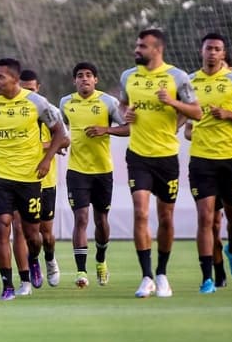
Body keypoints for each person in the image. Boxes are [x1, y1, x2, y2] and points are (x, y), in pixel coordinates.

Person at [0, 58, 69, 300]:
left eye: (0, 77)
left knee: (32, 234)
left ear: (14, 79)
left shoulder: (36, 103)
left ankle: (33, 260)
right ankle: (9, 284)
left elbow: (61, 133)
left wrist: (46, 160)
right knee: (2, 228)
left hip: (29, 179)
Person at [120, 28, 202, 298]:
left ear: (157, 49)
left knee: (166, 217)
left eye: (142, 46)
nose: (137, 50)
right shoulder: (128, 76)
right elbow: (122, 105)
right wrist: (126, 113)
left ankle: (162, 273)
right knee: (141, 212)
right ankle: (146, 277)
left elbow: (197, 113)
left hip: (166, 157)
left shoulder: (176, 77)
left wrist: (173, 102)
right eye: (137, 45)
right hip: (138, 156)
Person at [187, 33, 232, 294]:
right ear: (201, 51)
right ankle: (208, 277)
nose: (212, 53)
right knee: (207, 220)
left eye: (217, 49)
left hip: (231, 160)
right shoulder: (190, 82)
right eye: (208, 48)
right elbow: (186, 124)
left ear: (223, 54)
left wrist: (227, 114)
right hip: (201, 161)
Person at [58, 63, 128, 289]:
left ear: (96, 80)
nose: (84, 79)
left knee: (101, 220)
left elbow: (128, 128)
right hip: (77, 171)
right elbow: (62, 130)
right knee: (81, 219)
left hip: (102, 171)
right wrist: (58, 143)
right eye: (80, 76)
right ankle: (81, 271)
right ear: (74, 81)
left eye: (89, 76)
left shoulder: (108, 102)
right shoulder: (66, 103)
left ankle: (101, 259)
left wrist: (106, 129)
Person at [18, 69, 66, 288]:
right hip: (18, 179)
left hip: (45, 181)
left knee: (45, 233)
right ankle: (32, 264)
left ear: (38, 88)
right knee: (25, 230)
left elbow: (65, 140)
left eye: (31, 89)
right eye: (23, 89)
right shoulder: (14, 110)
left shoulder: (50, 111)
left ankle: (49, 258)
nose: (28, 93)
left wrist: (42, 147)